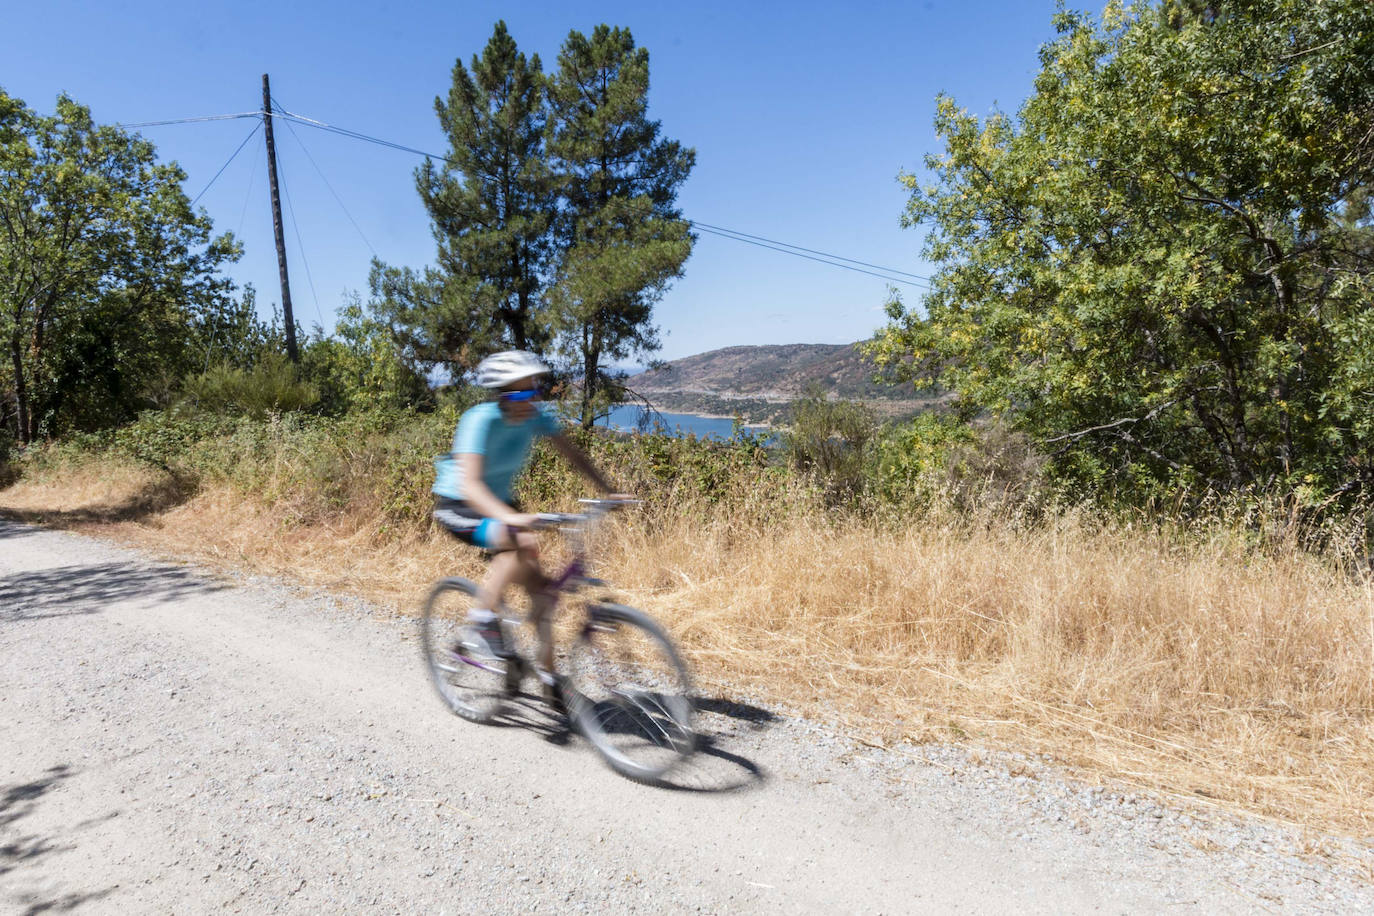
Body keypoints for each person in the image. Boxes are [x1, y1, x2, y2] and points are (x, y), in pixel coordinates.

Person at [432, 350, 627, 701]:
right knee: (518, 539)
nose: (529, 400)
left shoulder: (536, 417)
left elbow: (574, 455)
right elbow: (471, 485)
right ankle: (481, 622)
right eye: (520, 394)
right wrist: (509, 518)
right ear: (502, 395)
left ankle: (547, 675)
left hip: (502, 508)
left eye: (533, 391)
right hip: (459, 504)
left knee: (543, 594)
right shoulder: (480, 420)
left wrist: (608, 490)